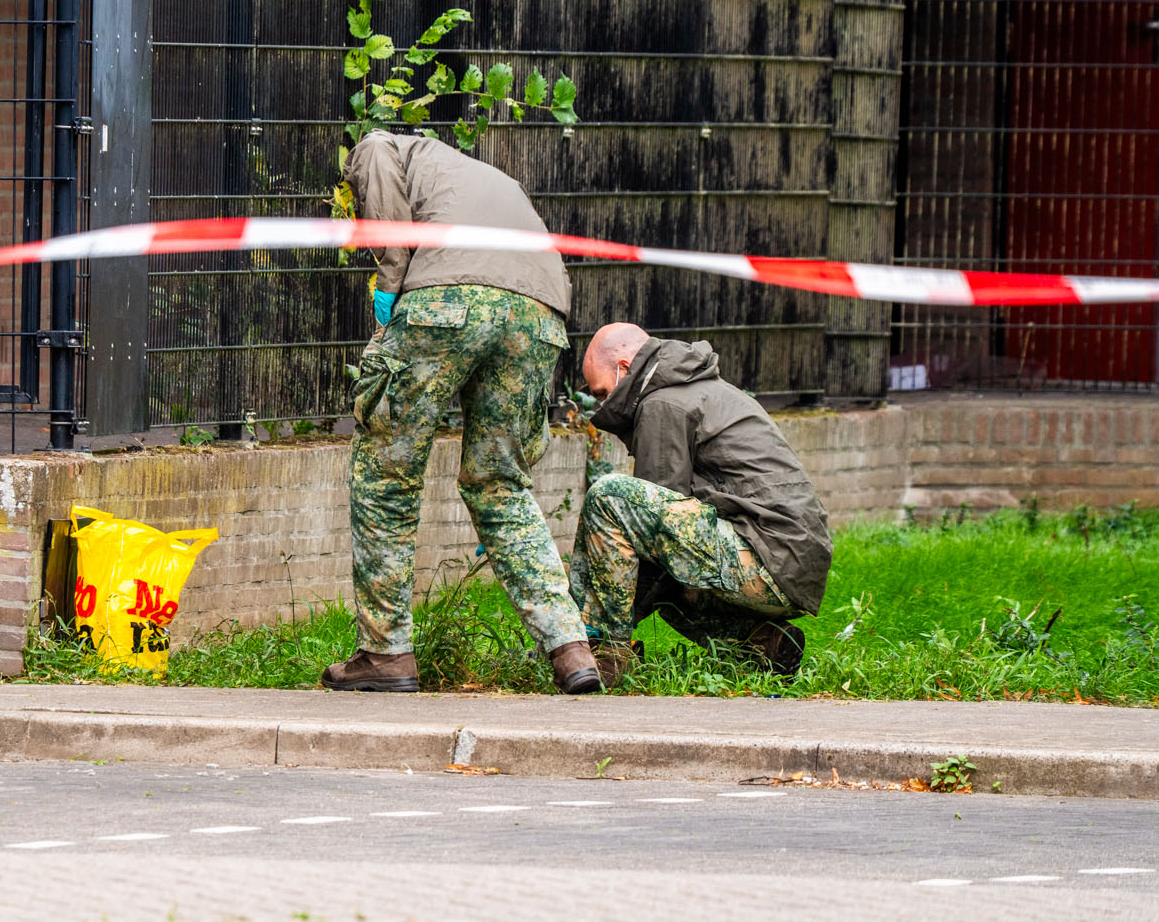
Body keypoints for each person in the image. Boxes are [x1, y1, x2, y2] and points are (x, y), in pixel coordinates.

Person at [323, 130, 600, 694]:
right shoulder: (483, 176)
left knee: (386, 471)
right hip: (540, 315)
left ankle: (386, 653)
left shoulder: (379, 145)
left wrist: (389, 288)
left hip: (448, 297)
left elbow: (388, 229)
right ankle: (571, 649)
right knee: (500, 483)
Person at [572, 322, 832, 684]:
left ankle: (605, 657)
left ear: (625, 368)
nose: (602, 404)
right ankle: (762, 644)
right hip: (793, 565)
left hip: (766, 555)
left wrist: (587, 626)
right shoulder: (696, 389)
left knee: (609, 496)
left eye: (602, 393)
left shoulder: (663, 403)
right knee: (672, 588)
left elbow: (642, 530)